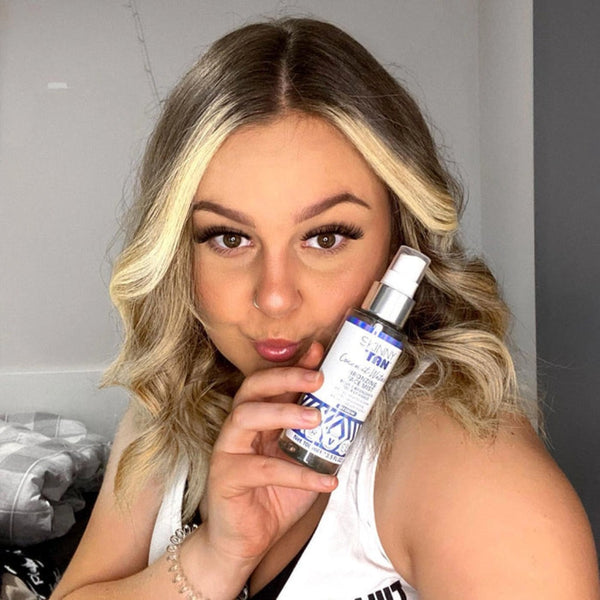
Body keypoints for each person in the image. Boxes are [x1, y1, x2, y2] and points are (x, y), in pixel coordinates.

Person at [50, 17, 600, 600]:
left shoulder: (464, 463)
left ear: (398, 241)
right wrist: (217, 559)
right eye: (228, 238)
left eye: (327, 236)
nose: (276, 295)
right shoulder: (172, 407)